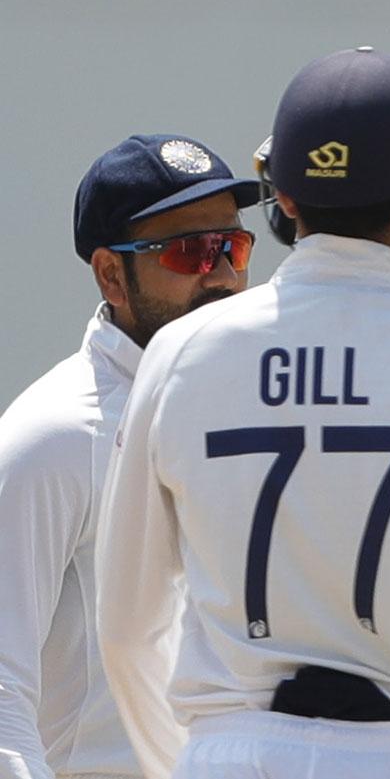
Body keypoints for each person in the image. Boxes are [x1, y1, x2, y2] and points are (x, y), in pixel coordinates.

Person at [94, 47, 390, 779]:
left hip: (226, 752)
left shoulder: (179, 352)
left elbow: (126, 628)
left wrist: (191, 760)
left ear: (286, 198)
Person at [0, 134, 258, 779]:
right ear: (112, 275)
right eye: (190, 251)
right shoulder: (57, 433)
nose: (222, 274)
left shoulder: (248, 408)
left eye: (233, 245)